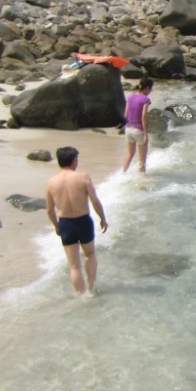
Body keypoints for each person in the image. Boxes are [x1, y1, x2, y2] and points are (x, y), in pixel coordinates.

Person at [45, 146, 109, 295]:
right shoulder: (83, 177)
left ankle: (81, 295)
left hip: (65, 223)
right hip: (83, 221)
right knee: (90, 254)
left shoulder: (51, 182)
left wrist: (56, 226)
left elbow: (49, 210)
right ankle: (91, 289)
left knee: (74, 266)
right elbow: (94, 201)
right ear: (74, 161)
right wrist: (103, 218)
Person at [122, 77, 153, 174]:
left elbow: (126, 114)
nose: (151, 91)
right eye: (151, 88)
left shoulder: (131, 97)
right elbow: (143, 117)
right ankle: (141, 178)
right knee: (142, 159)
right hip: (138, 130)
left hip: (128, 128)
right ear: (147, 88)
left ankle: (123, 173)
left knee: (130, 154)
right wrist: (146, 134)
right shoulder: (145, 100)